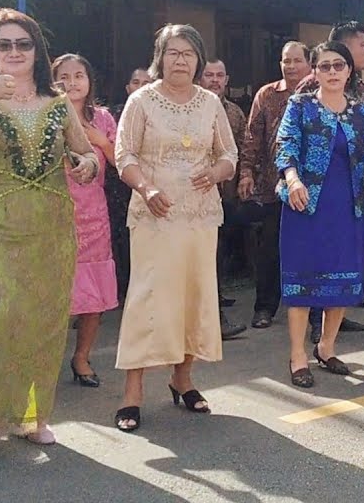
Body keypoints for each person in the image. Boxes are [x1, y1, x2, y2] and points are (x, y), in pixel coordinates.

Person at [0, 9, 100, 472]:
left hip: (50, 224)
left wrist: (86, 165)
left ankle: (32, 415)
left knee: (46, 319)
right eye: (3, 45)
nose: (13, 52)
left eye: (22, 44)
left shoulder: (57, 102)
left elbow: (84, 151)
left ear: (37, 51)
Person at [112, 24, 238, 434]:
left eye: (187, 53)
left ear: (199, 60)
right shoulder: (141, 101)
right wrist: (146, 187)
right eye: (172, 52)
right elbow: (123, 153)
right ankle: (132, 393)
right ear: (159, 57)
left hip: (200, 216)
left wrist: (217, 171)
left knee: (193, 294)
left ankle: (182, 379)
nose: (180, 59)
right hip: (155, 214)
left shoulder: (209, 103)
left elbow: (229, 154)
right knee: (149, 297)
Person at [276, 41, 364, 387]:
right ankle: (298, 354)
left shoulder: (361, 111)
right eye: (325, 66)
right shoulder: (300, 106)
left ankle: (326, 346)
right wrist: (293, 178)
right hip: (306, 204)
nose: (332, 72)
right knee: (303, 279)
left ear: (349, 71)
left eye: (338, 65)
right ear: (314, 72)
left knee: (343, 277)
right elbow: (286, 146)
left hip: (349, 205)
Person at [52, 54, 120, 388]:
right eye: (64, 77)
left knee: (93, 293)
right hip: (53, 216)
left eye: (79, 75)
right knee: (53, 292)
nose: (72, 82)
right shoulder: (46, 118)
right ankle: (45, 360)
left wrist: (101, 141)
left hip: (93, 216)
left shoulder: (104, 118)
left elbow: (122, 162)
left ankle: (82, 357)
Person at [238, 41, 310, 329]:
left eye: (296, 60)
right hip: (274, 187)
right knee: (270, 249)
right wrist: (246, 172)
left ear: (309, 63)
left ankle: (319, 313)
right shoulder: (267, 95)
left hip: (312, 188)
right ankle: (264, 307)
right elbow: (252, 136)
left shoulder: (318, 95)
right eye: (285, 61)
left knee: (312, 252)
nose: (290, 66)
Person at [200, 58, 250, 340]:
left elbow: (244, 147)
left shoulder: (234, 113)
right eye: (209, 75)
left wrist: (244, 177)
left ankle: (215, 304)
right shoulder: (192, 107)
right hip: (196, 195)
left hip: (225, 195)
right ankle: (213, 318)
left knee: (218, 254)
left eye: (220, 75)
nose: (215, 80)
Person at [110, 67, 153, 300]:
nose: (141, 86)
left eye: (147, 82)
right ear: (128, 88)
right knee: (123, 245)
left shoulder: (161, 114)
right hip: (120, 191)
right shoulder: (114, 115)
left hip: (154, 189)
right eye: (136, 82)